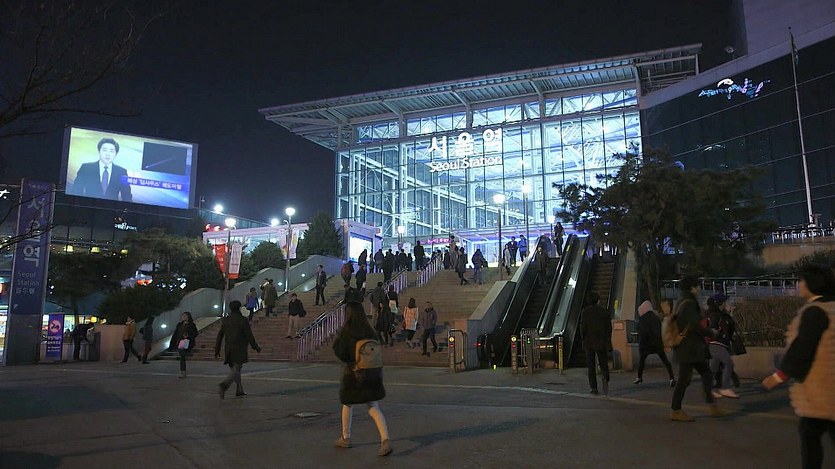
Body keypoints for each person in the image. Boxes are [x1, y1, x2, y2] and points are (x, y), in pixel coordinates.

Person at [762, 265, 835, 469]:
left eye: (801, 281)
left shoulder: (815, 312)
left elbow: (802, 348)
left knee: (810, 435)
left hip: (820, 389)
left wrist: (778, 376)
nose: (799, 285)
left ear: (811, 284)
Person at [332, 302, 392, 457]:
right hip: (372, 373)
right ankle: (385, 439)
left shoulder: (348, 331)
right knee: (373, 406)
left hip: (354, 373)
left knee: (347, 404)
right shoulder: (369, 330)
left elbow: (341, 353)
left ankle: (346, 437)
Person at [670, 275, 726, 422]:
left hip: (690, 349)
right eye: (697, 286)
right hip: (689, 349)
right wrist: (711, 332)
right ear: (692, 288)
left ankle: (712, 406)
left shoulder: (682, 301)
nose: (699, 288)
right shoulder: (689, 303)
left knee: (706, 374)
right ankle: (676, 410)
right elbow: (694, 326)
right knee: (684, 380)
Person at [215, 300, 261, 399]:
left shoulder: (226, 320)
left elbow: (220, 335)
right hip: (239, 347)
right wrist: (256, 347)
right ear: (239, 308)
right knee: (236, 368)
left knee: (235, 369)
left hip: (228, 347)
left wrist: (217, 349)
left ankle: (239, 389)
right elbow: (249, 335)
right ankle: (224, 384)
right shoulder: (242, 320)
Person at [68, 137, 132, 201]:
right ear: (99, 151)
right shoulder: (86, 168)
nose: (108, 154)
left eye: (111, 151)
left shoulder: (121, 172)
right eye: (104, 150)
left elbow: (127, 196)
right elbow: (76, 192)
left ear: (115, 154)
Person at [634, 300, 676, 386]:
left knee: (642, 361)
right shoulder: (656, 317)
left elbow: (640, 330)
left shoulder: (642, 318)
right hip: (657, 343)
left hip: (645, 344)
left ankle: (639, 377)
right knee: (665, 360)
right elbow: (659, 330)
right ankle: (671, 377)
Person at [706, 294, 739, 398]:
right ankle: (724, 388)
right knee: (728, 363)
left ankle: (709, 389)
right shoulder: (715, 315)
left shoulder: (722, 314)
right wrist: (716, 332)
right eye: (725, 302)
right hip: (716, 344)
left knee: (713, 368)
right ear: (721, 303)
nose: (727, 304)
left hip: (719, 344)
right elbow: (712, 329)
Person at [580, 292, 612, 395]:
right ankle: (605, 377)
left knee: (591, 366)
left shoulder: (585, 312)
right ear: (598, 300)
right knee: (603, 363)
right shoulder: (604, 312)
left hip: (589, 342)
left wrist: (583, 338)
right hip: (601, 341)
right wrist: (607, 339)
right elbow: (609, 328)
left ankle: (593, 388)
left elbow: (583, 328)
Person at [169, 312, 198, 378]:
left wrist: (188, 336)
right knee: (182, 357)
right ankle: (183, 372)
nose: (184, 317)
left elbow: (196, 333)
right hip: (180, 342)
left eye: (185, 316)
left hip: (187, 342)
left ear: (188, 317)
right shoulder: (179, 325)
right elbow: (175, 334)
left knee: (182, 356)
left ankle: (183, 373)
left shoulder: (192, 325)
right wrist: (173, 344)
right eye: (183, 316)